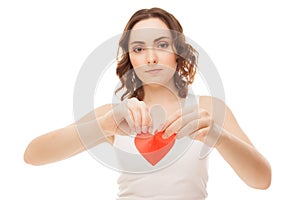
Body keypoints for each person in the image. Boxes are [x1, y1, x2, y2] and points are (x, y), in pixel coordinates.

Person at [24, 7, 271, 199]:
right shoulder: (115, 116)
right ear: (130, 58)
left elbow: (262, 180)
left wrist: (218, 136)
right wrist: (105, 125)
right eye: (139, 48)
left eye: (162, 45)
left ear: (178, 52)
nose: (151, 58)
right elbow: (32, 155)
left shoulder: (209, 109)